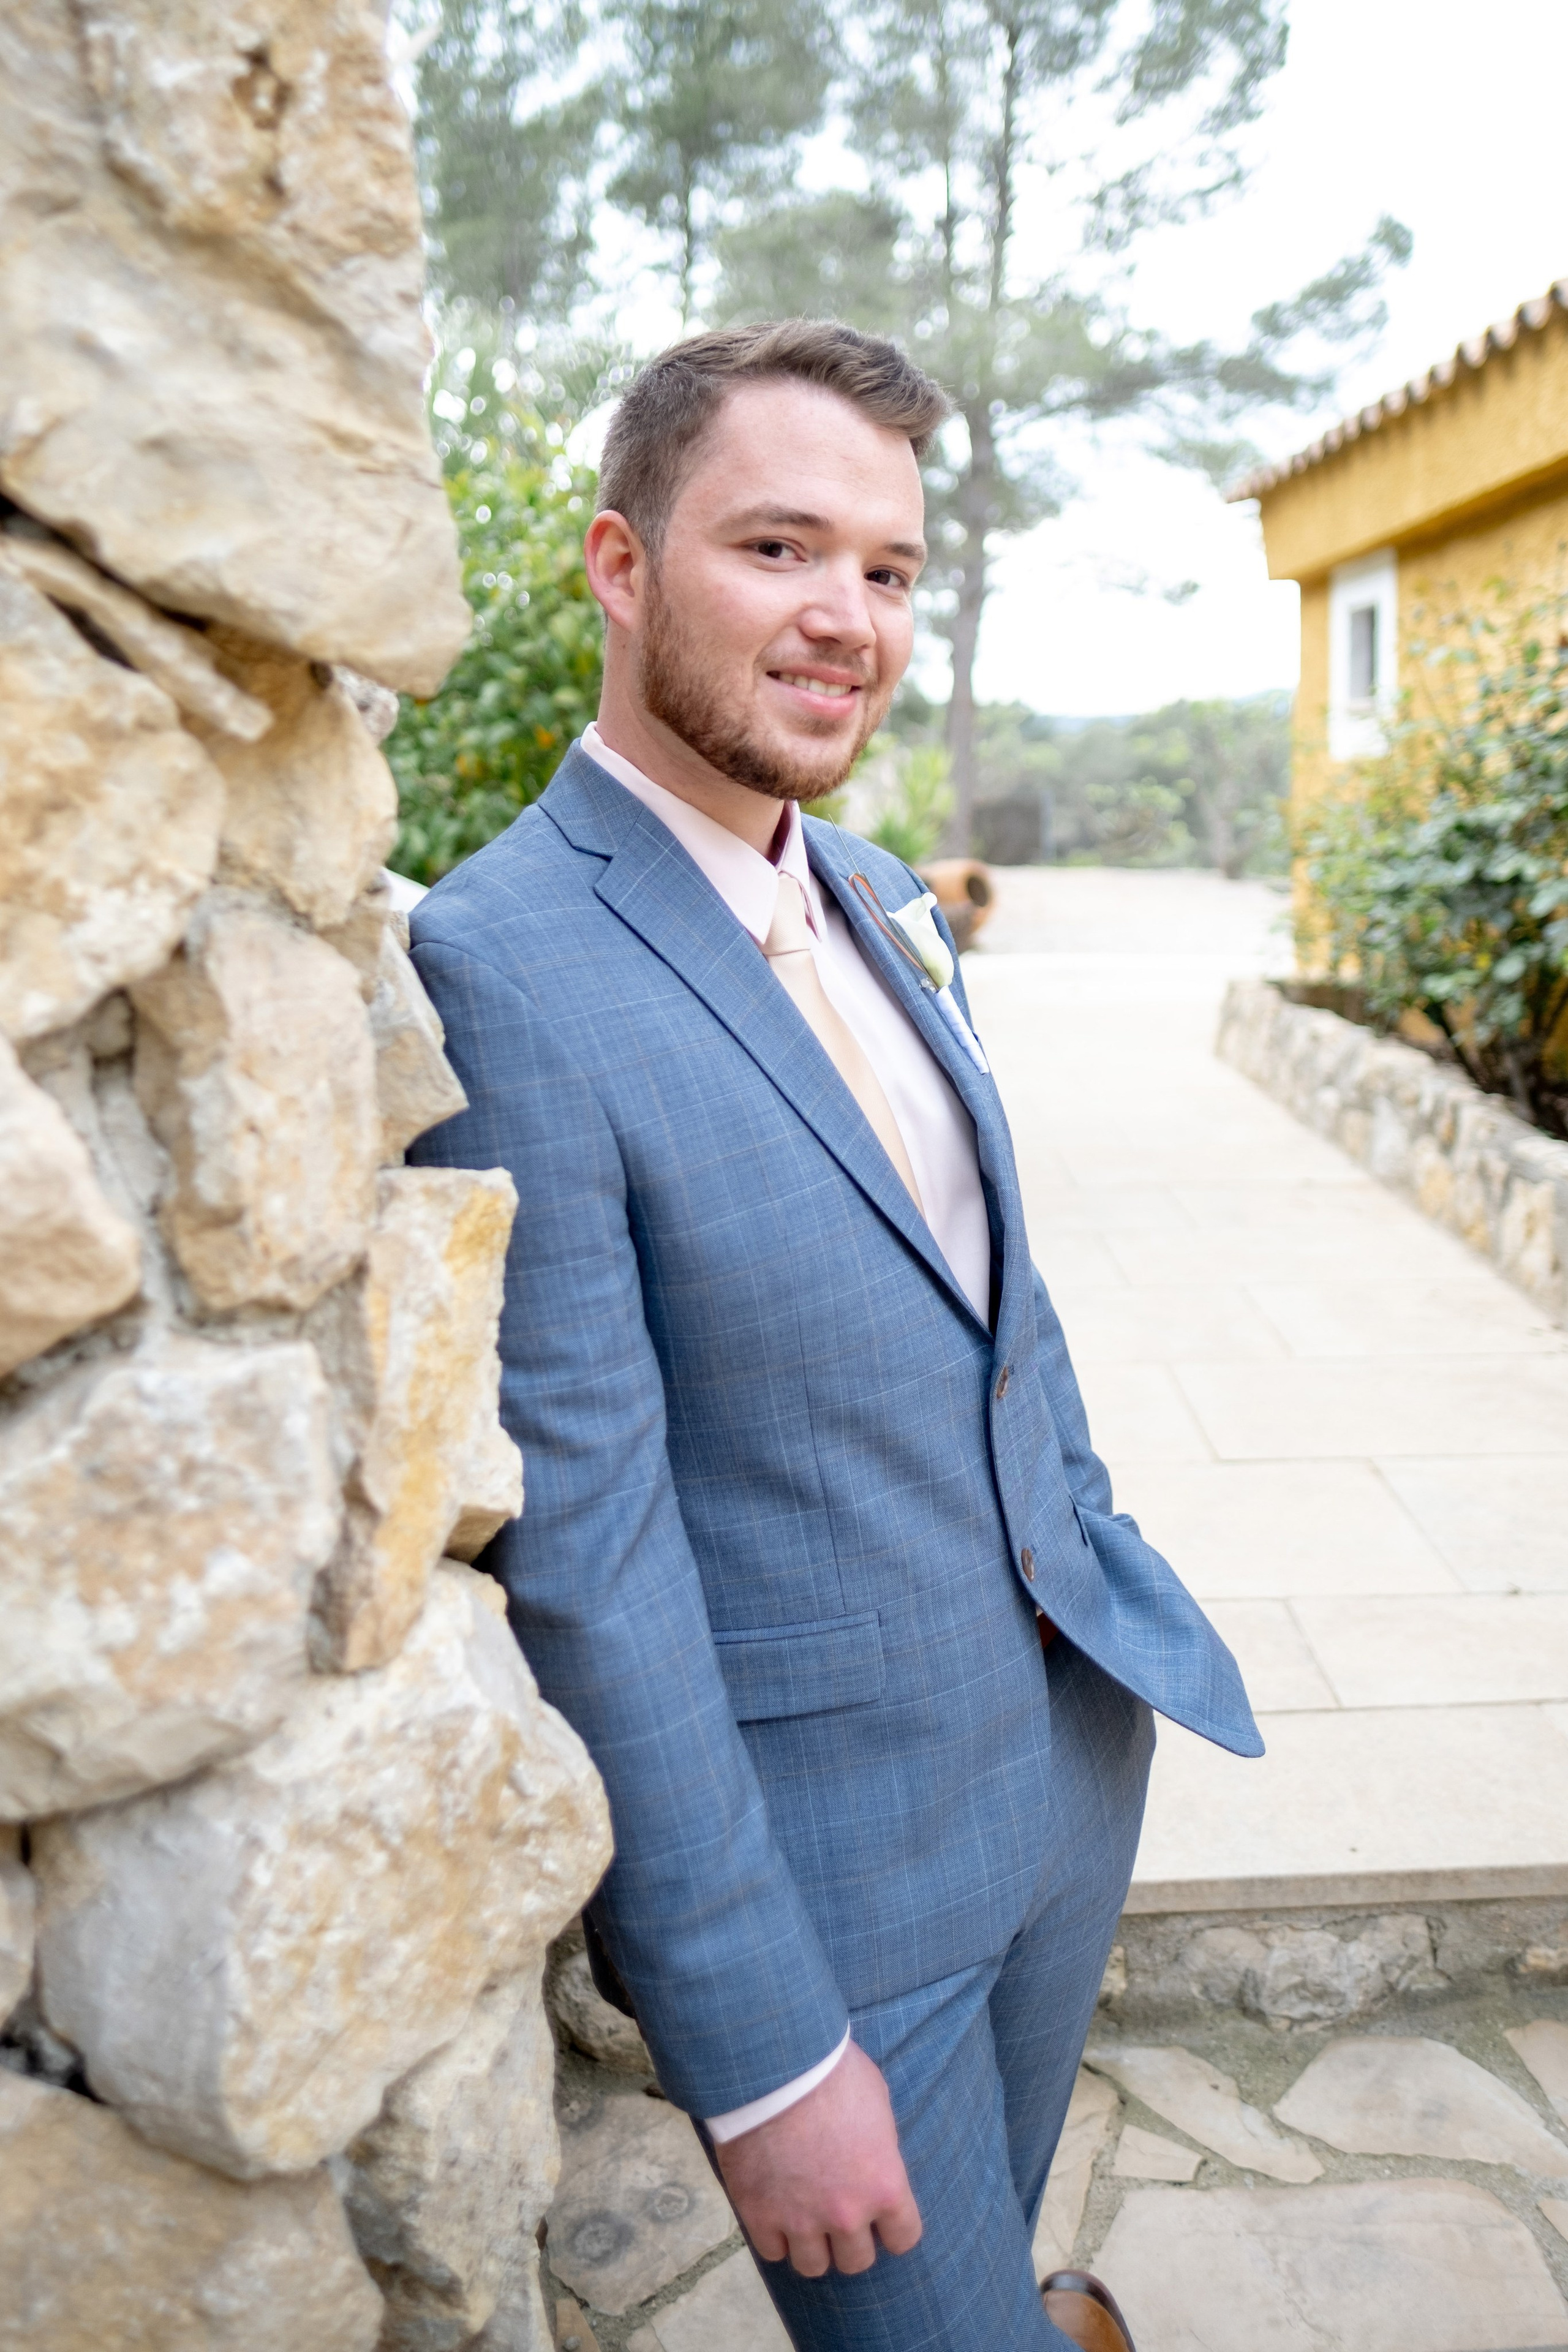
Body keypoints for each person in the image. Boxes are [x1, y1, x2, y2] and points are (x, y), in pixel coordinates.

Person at [408, 319, 1260, 2352]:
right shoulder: (503, 961)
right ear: (620, 567)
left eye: (887, 571)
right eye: (779, 549)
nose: (845, 620)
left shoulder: (886, 895)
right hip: (834, 1888)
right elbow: (592, 1559)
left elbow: (987, 1314)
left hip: (1066, 1763)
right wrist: (765, 2055)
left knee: (985, 2227)